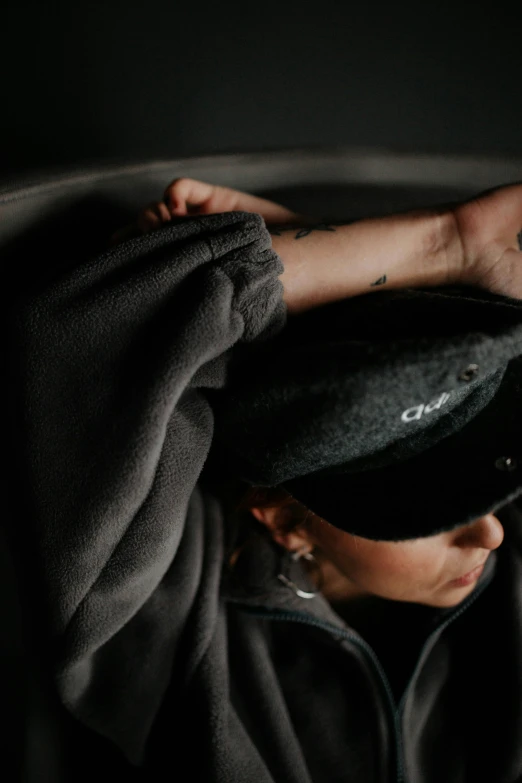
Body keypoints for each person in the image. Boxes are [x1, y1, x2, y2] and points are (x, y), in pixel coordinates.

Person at [10, 176, 522, 782]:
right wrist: (443, 245)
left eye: (493, 480)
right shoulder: (178, 626)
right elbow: (89, 343)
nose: (491, 536)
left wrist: (349, 278)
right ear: (285, 523)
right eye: (428, 511)